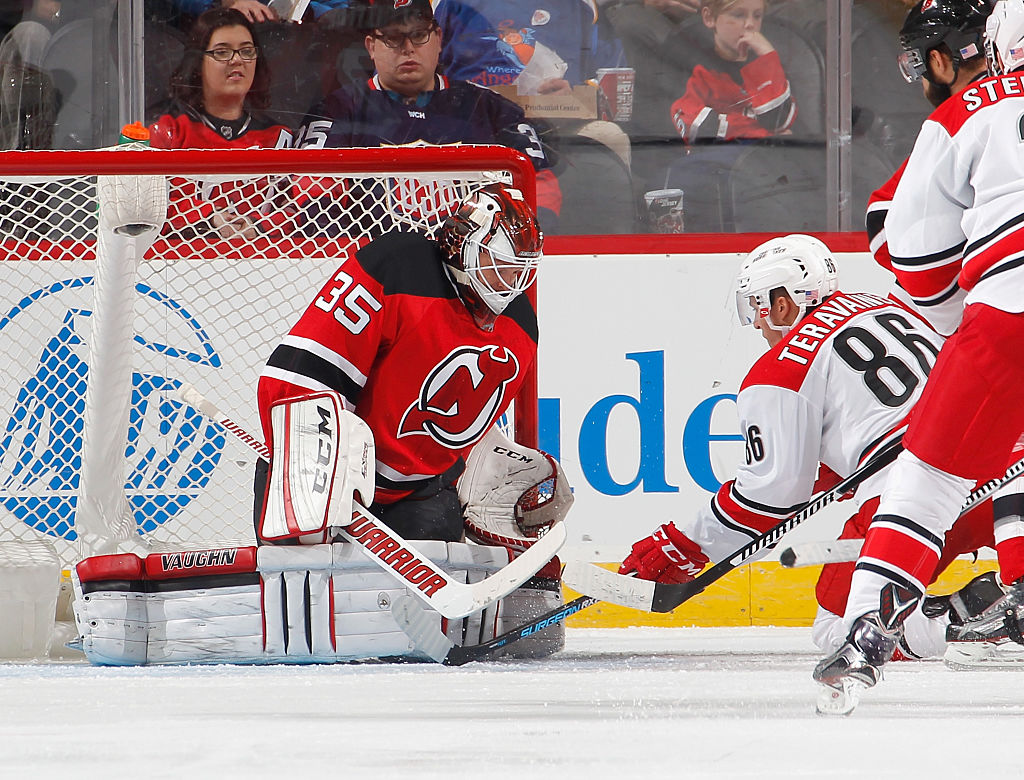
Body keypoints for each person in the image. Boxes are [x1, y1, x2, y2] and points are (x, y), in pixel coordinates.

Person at [617, 234, 1002, 663]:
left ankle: (976, 621)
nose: (759, 326)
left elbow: (770, 496)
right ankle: (1006, 606)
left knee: (840, 628)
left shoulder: (783, 367)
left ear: (781, 303)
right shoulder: (885, 306)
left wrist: (686, 542)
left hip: (919, 494)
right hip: (1004, 466)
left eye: (756, 309)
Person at [812, 0, 1024, 710]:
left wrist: (968, 325)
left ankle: (867, 627)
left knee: (927, 478)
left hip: (1006, 320)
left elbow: (919, 254)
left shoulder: (968, 110)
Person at [254, 182, 569, 658]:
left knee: (409, 646)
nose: (508, 282)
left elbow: (459, 433)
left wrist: (484, 471)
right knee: (309, 634)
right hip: (317, 480)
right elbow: (296, 380)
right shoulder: (400, 265)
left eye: (519, 270)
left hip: (419, 496)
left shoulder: (520, 326)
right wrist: (325, 474)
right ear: (463, 243)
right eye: (498, 263)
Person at [294, 0, 563, 233]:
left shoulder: (490, 108)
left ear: (438, 38)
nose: (408, 48)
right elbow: (314, 200)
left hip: (474, 266)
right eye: (393, 37)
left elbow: (541, 190)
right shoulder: (335, 110)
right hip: (378, 265)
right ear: (371, 47)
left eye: (419, 35)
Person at [432, 0, 636, 233]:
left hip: (556, 127)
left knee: (609, 135)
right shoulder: (446, 4)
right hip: (472, 125)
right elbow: (423, 67)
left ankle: (608, 254)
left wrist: (574, 94)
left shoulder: (581, 6)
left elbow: (608, 76)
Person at [148, 7, 295, 240]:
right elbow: (145, 209)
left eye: (247, 51)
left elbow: (297, 211)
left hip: (264, 267)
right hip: (177, 266)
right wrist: (208, 218)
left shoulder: (279, 138)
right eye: (222, 52)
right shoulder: (168, 131)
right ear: (197, 62)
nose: (237, 60)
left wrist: (257, 226)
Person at [669, 0, 796, 143]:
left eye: (757, 16)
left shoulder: (769, 66)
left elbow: (779, 122)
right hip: (714, 159)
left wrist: (768, 55)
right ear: (709, 18)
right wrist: (761, 133)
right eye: (738, 15)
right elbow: (700, 127)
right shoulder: (695, 70)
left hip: (762, 157)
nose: (750, 24)